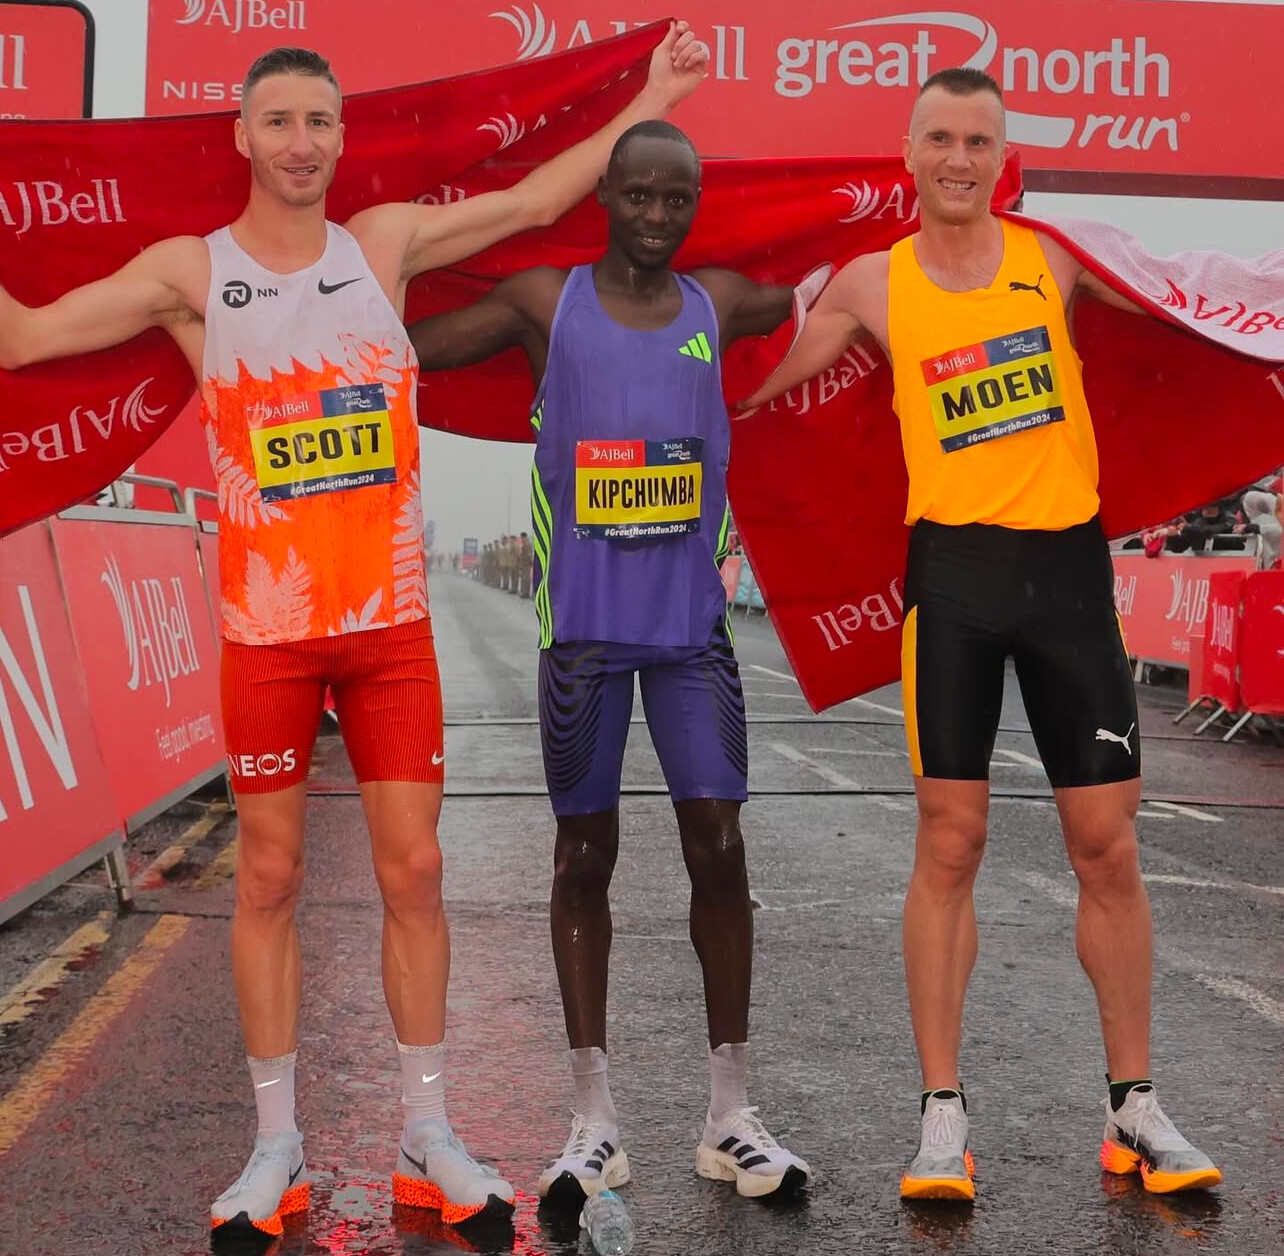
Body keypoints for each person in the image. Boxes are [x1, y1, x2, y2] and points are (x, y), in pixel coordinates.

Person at [0, 31, 706, 1240]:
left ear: (340, 136)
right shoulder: (192, 271)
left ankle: (427, 1130)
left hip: (388, 628)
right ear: (242, 134)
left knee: (415, 870)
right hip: (269, 634)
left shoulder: (380, 243)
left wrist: (652, 95)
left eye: (319, 121)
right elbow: (22, 338)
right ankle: (275, 1142)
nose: (301, 142)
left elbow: (539, 200)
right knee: (269, 876)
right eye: (279, 120)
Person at [742, 68, 1220, 1202]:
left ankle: (1134, 1108)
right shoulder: (875, 280)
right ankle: (942, 1116)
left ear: (1004, 159)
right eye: (941, 139)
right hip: (952, 580)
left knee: (1106, 846)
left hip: (1067, 576)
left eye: (979, 141)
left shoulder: (1052, 259)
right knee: (949, 842)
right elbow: (752, 386)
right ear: (908, 154)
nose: (959, 158)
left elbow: (1189, 313)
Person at [409, 120, 811, 1207]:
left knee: (720, 846)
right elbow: (405, 349)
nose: (656, 217)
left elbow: (834, 290)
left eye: (677, 200)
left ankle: (730, 1116)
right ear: (605, 197)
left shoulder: (717, 303)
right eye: (638, 195)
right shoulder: (549, 303)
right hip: (582, 639)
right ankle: (593, 1123)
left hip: (689, 637)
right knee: (583, 859)